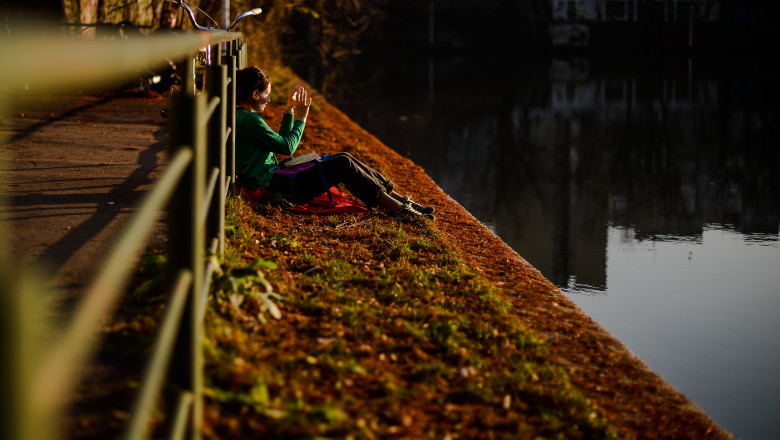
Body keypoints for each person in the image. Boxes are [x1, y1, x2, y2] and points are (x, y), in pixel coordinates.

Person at [234, 66, 434, 220]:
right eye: (266, 94)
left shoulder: (244, 117)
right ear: (254, 94)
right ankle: (398, 209)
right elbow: (287, 147)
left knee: (343, 157)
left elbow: (280, 145)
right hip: (275, 186)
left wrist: (289, 111)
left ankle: (401, 201)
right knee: (342, 164)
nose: (268, 99)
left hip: (275, 178)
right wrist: (302, 119)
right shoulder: (250, 120)